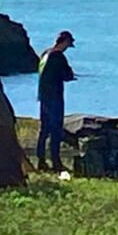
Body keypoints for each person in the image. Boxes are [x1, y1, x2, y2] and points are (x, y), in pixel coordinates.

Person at [36, 31, 77, 172]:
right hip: (55, 97)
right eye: (68, 44)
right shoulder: (58, 56)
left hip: (43, 96)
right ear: (64, 41)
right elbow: (67, 74)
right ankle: (56, 161)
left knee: (44, 129)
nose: (67, 47)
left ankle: (41, 160)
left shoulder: (45, 54)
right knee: (56, 130)